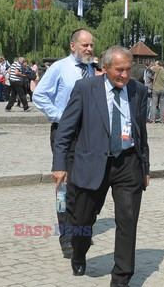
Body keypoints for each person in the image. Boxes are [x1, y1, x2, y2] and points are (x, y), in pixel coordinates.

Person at [52, 46, 150, 286]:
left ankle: (122, 277)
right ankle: (78, 251)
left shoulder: (139, 90)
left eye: (129, 69)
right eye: (119, 70)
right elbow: (65, 129)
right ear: (104, 68)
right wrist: (60, 164)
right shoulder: (85, 89)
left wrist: (145, 167)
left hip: (128, 162)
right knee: (83, 220)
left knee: (127, 220)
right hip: (92, 162)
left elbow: (141, 131)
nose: (125, 75)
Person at [33, 28, 95, 259]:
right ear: (72, 46)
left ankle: (81, 228)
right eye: (84, 45)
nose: (89, 49)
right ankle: (66, 236)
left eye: (91, 45)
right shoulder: (60, 68)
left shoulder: (92, 69)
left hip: (88, 135)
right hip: (65, 134)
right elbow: (39, 95)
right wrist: (61, 116)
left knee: (84, 185)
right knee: (63, 185)